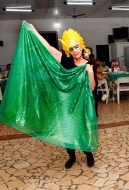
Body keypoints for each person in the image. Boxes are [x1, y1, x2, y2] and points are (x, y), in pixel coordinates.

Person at [30, 25, 96, 169]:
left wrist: (90, 73)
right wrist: (33, 30)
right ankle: (71, 157)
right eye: (71, 49)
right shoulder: (65, 61)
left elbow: (92, 88)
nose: (75, 51)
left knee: (81, 130)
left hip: (81, 104)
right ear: (68, 50)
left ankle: (89, 155)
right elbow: (48, 47)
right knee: (67, 131)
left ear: (81, 45)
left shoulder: (88, 64)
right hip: (65, 103)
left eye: (77, 47)